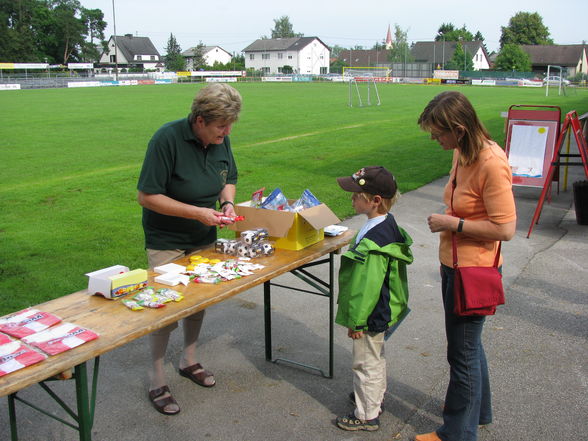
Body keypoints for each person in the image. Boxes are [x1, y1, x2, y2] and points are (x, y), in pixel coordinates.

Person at [136, 83, 242, 415]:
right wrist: (196, 212)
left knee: (198, 301)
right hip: (166, 238)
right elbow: (147, 195)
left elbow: (229, 177)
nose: (226, 132)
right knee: (165, 309)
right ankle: (157, 379)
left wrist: (226, 202)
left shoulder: (221, 139)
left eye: (229, 126)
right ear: (199, 120)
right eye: (220, 126)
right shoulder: (166, 140)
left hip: (204, 236)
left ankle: (188, 360)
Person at [416, 91, 516, 441]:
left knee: (461, 353)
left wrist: (452, 223)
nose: (434, 139)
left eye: (438, 133)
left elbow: (505, 229)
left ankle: (457, 433)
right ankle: (480, 413)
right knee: (470, 347)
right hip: (453, 265)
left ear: (459, 129)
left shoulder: (491, 161)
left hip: (473, 272)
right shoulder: (462, 153)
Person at [334, 166, 414, 432]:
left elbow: (365, 287)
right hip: (380, 308)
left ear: (375, 200)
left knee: (364, 362)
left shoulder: (375, 241)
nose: (352, 199)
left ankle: (367, 415)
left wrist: (356, 322)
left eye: (357, 194)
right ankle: (373, 398)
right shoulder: (383, 223)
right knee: (375, 357)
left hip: (368, 312)